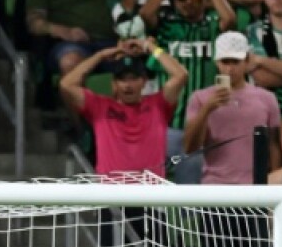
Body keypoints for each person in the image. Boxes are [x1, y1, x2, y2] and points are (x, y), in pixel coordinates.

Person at [139, 0, 236, 185]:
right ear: (174, 0)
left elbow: (229, 18)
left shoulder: (213, 27)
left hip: (206, 125)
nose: (189, 1)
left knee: (193, 194)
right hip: (170, 124)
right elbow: (145, 12)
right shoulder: (166, 27)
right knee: (156, 189)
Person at [59, 39, 189, 177]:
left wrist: (150, 47)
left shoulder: (158, 105)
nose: (128, 85)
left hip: (151, 193)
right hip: (113, 193)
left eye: (133, 78)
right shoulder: (99, 107)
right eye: (122, 79)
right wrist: (100, 56)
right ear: (114, 84)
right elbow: (67, 84)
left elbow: (181, 75)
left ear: (144, 81)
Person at [184, 31, 282, 185]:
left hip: (255, 186)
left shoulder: (267, 98)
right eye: (225, 62)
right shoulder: (200, 98)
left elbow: (273, 146)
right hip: (216, 185)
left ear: (247, 61)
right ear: (217, 62)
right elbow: (190, 148)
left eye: (235, 62)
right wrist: (207, 109)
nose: (230, 69)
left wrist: (274, 186)